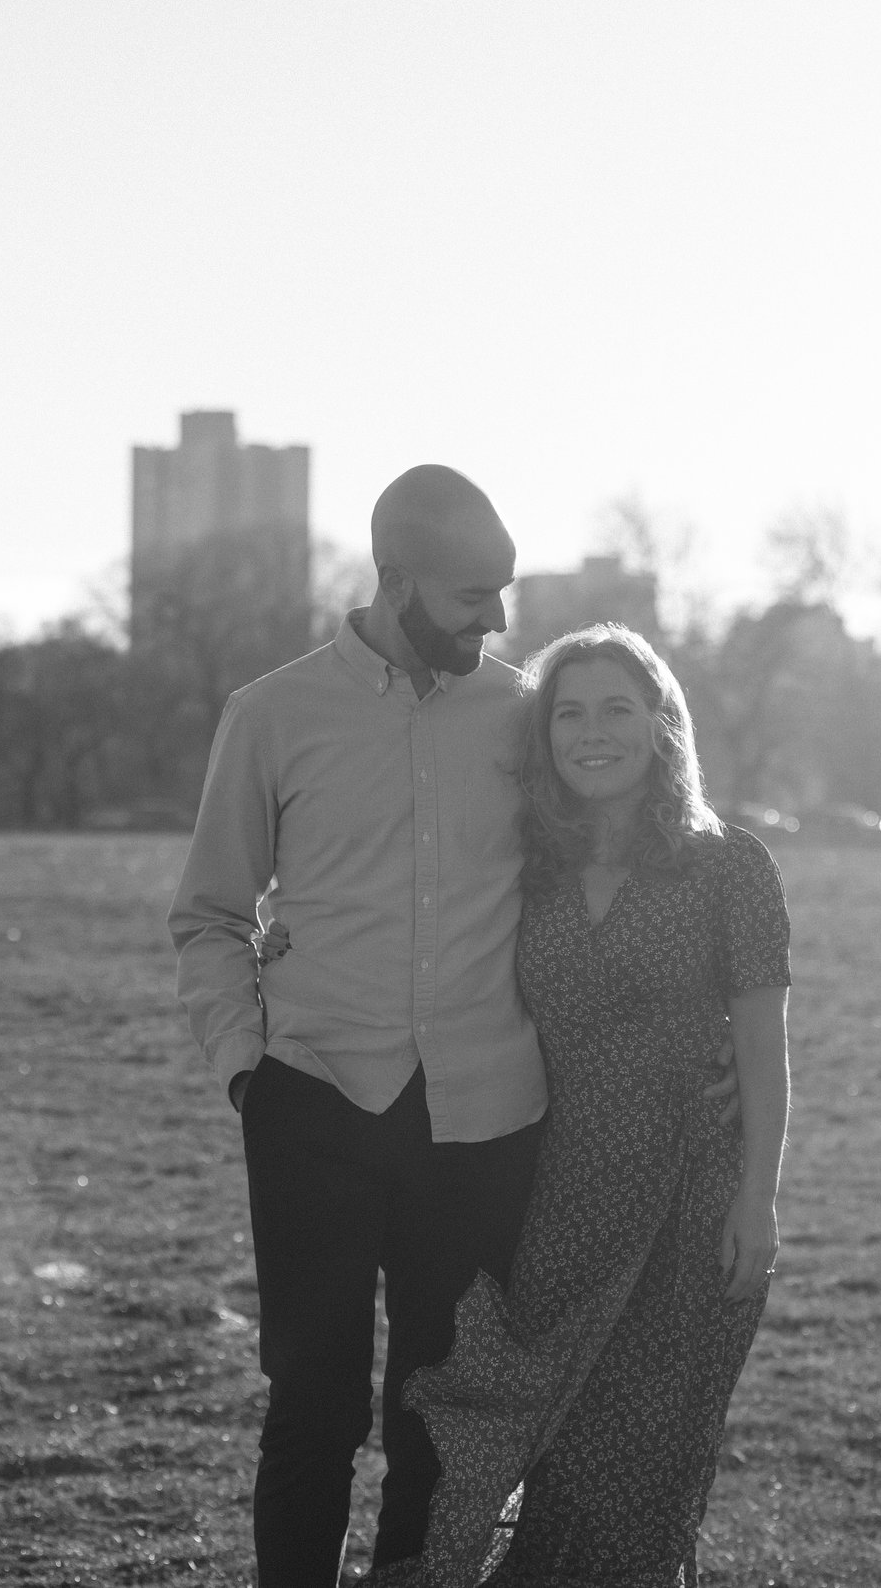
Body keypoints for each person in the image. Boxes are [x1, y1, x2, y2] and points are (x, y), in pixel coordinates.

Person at [168, 466, 547, 1588]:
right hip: (313, 1108)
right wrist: (247, 1070)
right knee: (312, 1405)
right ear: (394, 579)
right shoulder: (272, 713)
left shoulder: (529, 717)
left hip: (481, 1118)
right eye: (473, 593)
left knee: (437, 1405)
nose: (495, 617)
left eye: (504, 592)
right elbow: (210, 913)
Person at [405, 624, 792, 1587]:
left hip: (689, 1199)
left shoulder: (729, 866)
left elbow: (763, 1044)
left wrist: (758, 1201)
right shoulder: (522, 864)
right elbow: (415, 940)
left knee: (645, 1462)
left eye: (617, 707)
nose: (592, 731)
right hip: (556, 1199)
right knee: (554, 1451)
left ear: (661, 723)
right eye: (569, 712)